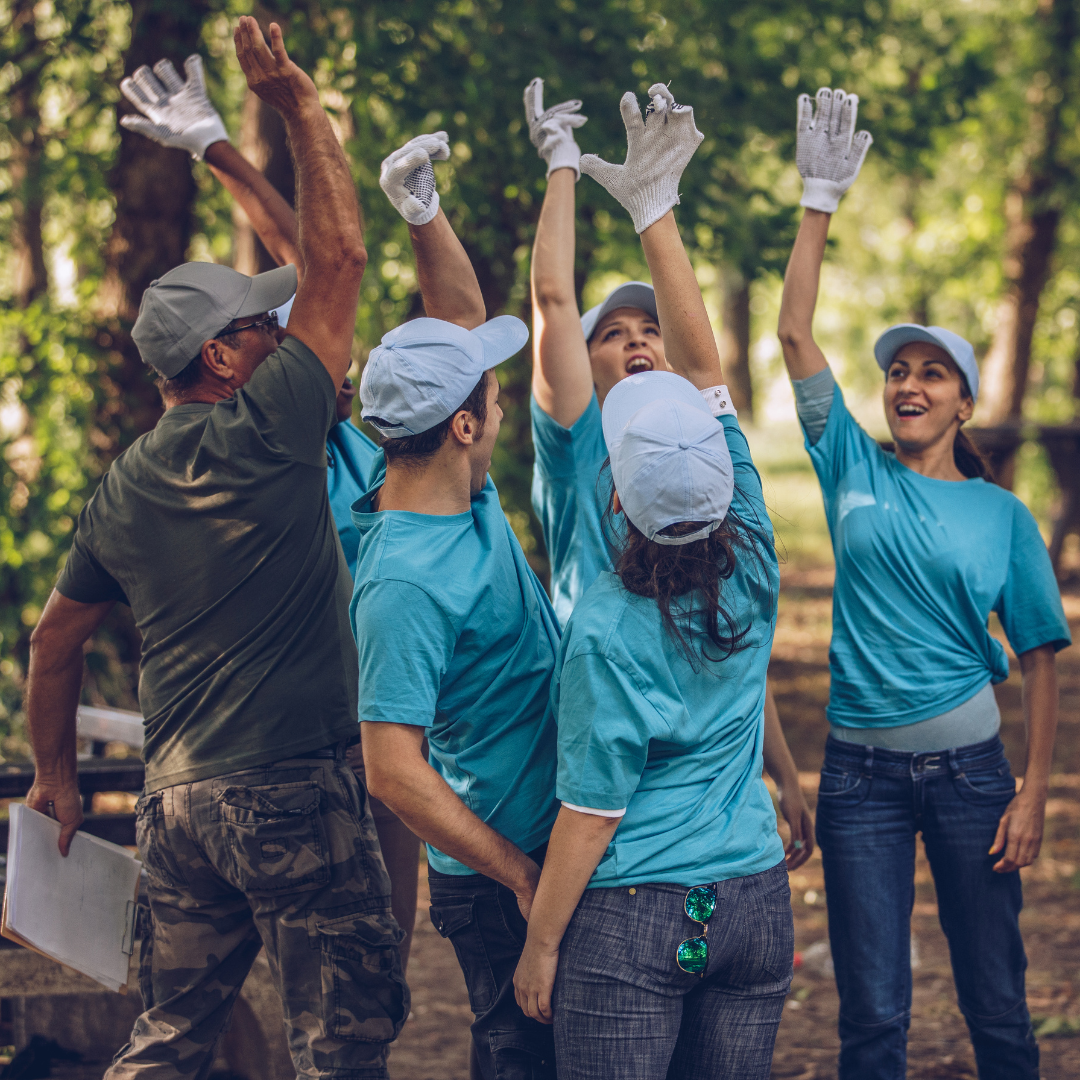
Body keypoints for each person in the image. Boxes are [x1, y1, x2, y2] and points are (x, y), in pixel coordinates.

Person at [25, 21, 408, 1079]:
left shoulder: (123, 486)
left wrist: (57, 776)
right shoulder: (272, 425)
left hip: (179, 803)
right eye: (256, 327)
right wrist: (296, 108)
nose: (279, 335)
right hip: (292, 794)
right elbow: (337, 256)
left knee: (170, 1042)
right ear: (220, 357)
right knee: (343, 1044)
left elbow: (56, 641)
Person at [117, 77, 480, 972]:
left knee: (375, 960)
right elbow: (314, 263)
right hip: (287, 750)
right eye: (280, 343)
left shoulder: (371, 454)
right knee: (272, 977)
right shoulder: (253, 459)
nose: (326, 355)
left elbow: (313, 259)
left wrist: (214, 145)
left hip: (384, 731)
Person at [777, 87, 1071, 1080]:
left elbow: (1041, 657)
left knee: (996, 1006)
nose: (908, 384)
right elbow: (792, 336)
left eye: (931, 374)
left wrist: (1031, 794)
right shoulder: (848, 464)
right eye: (898, 370)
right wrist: (820, 199)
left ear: (964, 402)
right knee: (873, 1016)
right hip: (858, 779)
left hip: (973, 782)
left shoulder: (1002, 518)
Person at [512, 83, 793, 1080]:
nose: (638, 345)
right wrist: (650, 207)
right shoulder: (753, 546)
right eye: (612, 336)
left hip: (634, 892)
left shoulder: (606, 629)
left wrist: (542, 940)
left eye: (648, 335)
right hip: (751, 887)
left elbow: (593, 810)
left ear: (620, 503)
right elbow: (703, 370)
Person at [349, 159, 561, 1077]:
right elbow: (392, 771)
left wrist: (422, 213)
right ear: (465, 427)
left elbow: (462, 324)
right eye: (491, 394)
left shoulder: (452, 485)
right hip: (499, 873)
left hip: (556, 837)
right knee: (521, 1059)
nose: (501, 396)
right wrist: (519, 872)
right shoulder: (402, 581)